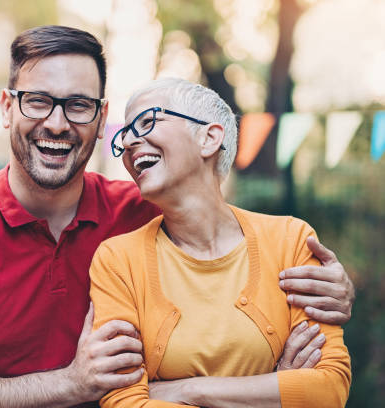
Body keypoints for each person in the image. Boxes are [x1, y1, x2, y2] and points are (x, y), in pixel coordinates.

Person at [0, 26, 355, 407]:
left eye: (78, 105)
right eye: (37, 100)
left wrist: (335, 287)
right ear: (6, 108)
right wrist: (72, 384)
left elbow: (230, 235)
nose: (57, 123)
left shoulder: (146, 211)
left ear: (100, 120)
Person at [89, 77, 351, 407]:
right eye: (125, 134)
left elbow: (329, 390)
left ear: (209, 138)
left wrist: (189, 390)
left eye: (147, 121)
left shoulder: (291, 240)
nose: (128, 142)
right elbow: (124, 402)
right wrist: (272, 389)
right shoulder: (117, 259)